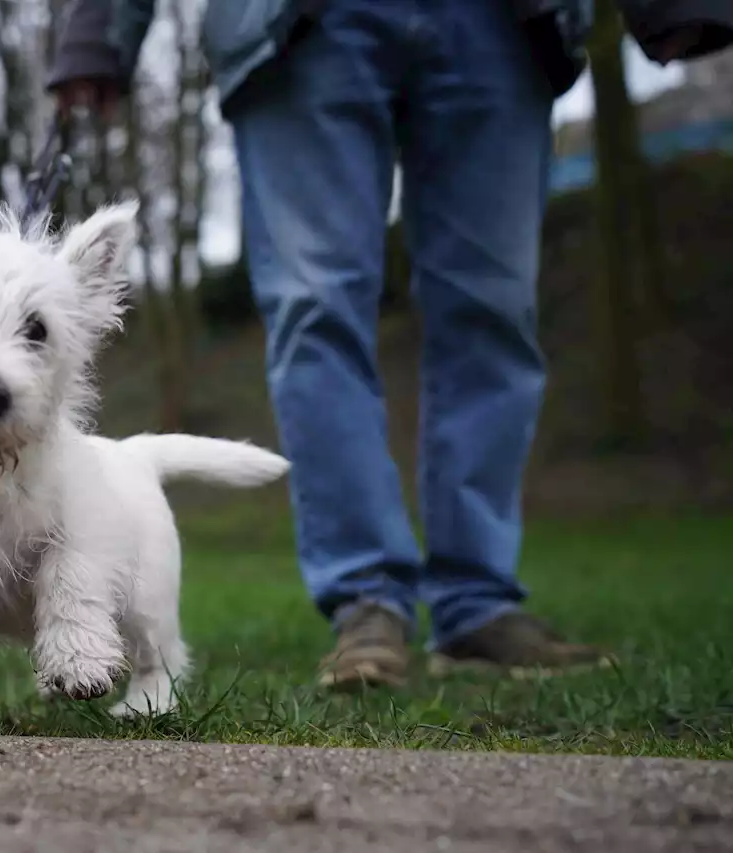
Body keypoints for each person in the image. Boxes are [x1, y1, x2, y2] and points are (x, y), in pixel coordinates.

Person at [47, 0, 733, 689]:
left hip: (503, 22)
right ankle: (365, 598)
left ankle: (479, 602)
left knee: (493, 310)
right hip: (298, 24)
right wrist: (98, 32)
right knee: (315, 310)